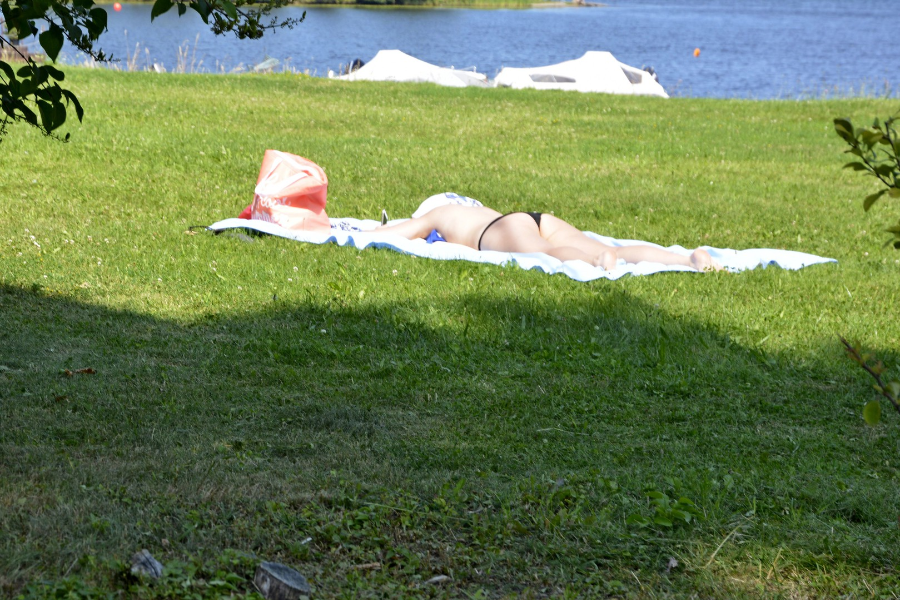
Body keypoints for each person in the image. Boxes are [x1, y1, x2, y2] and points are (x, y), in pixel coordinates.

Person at [376, 204, 722, 271]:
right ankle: (689, 259)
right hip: (533, 218)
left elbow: (398, 233)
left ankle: (595, 261)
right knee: (610, 247)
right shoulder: (471, 208)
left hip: (499, 231)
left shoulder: (436, 214)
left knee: (548, 252)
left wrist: (368, 231)